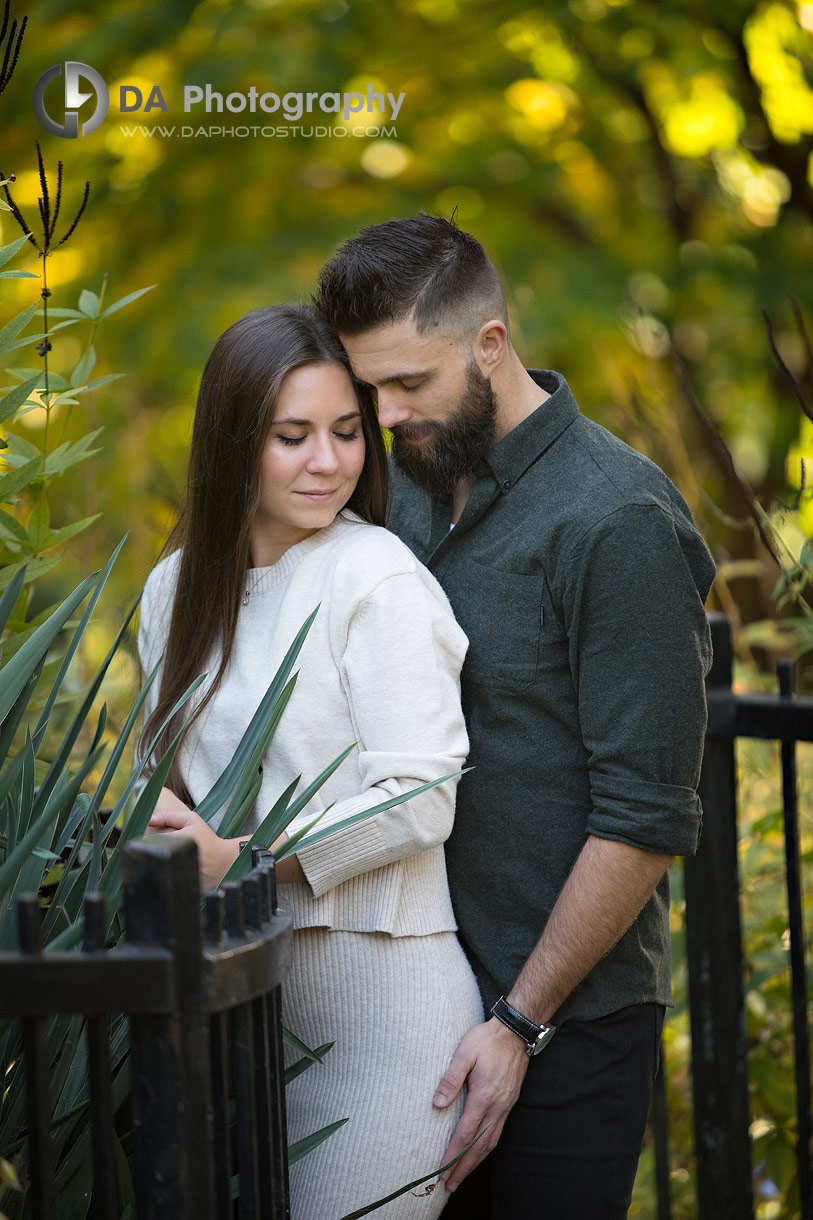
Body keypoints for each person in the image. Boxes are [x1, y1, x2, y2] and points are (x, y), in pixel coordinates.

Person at [315, 214, 717, 1220]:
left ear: (491, 343)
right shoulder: (393, 490)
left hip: (565, 1027)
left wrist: (518, 1023)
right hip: (405, 1013)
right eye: (369, 387)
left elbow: (643, 817)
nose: (387, 412)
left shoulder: (617, 520)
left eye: (411, 382)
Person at [134, 304, 483, 1220]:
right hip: (232, 1010)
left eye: (344, 432)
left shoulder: (377, 577)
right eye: (292, 437)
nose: (328, 462)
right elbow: (158, 783)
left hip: (388, 1018)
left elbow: (422, 793)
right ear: (232, 441)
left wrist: (249, 853)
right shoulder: (172, 590)